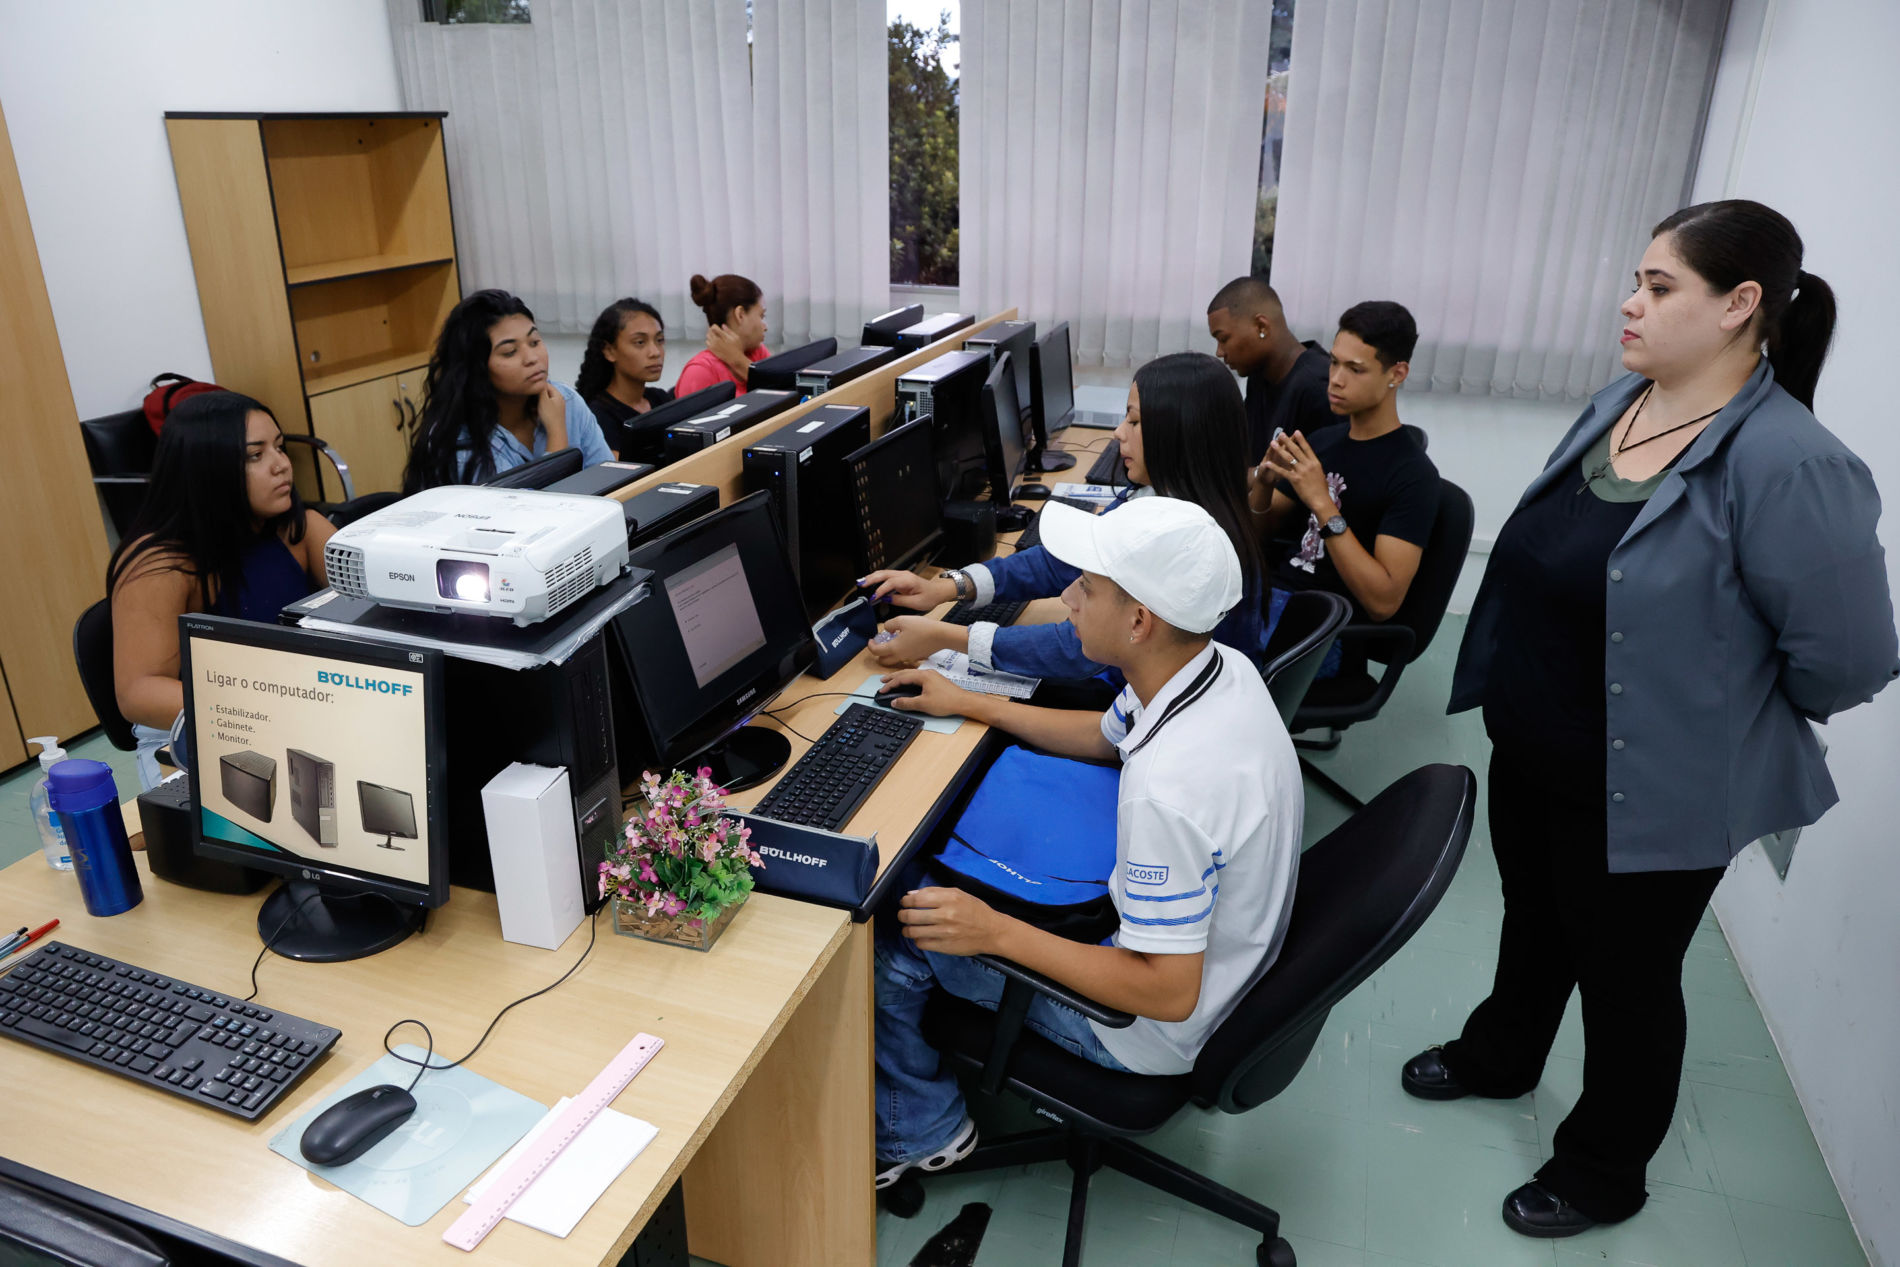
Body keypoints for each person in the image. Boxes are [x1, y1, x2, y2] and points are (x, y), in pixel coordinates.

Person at [1403, 200, 1897, 1238]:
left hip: (1653, 783)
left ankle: (1601, 1167)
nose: (1629, 302)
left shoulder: (1789, 462)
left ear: (1740, 305)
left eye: (1659, 286)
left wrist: (1723, 708)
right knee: (1533, 921)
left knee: (1626, 979)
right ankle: (1502, 1055)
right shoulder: (1625, 400)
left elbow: (1851, 656)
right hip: (1534, 745)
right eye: (1635, 280)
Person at [869, 498, 1302, 1187]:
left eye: (1087, 587)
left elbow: (1165, 991)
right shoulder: (1210, 667)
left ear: (1139, 620)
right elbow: (1107, 736)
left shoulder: (1170, 786)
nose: (1067, 596)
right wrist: (972, 702)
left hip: (1142, 1029)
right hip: (1221, 954)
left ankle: (921, 1128)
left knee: (892, 935)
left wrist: (995, 931)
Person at [864, 352, 1268, 683]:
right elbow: (1059, 561)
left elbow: (1076, 652)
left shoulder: (1183, 543)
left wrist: (945, 637)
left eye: (1135, 421)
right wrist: (948, 587)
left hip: (1123, 712)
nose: (1118, 433)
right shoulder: (1155, 499)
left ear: (1179, 436)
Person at [107, 392, 334, 788]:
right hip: (190, 732)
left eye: (279, 447)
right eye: (255, 455)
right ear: (208, 469)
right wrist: (270, 707)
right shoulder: (158, 565)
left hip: (296, 711)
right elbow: (138, 693)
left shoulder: (300, 527)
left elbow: (369, 606)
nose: (281, 465)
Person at [1249, 301, 1441, 676]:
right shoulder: (1323, 442)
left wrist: (1322, 503)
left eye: (1355, 369)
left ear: (1396, 373)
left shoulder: (1414, 476)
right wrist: (1263, 484)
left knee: (1190, 652)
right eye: (1335, 362)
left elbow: (1383, 602)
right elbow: (1259, 533)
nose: (1335, 378)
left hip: (1328, 631)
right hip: (1275, 598)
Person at [402, 289, 614, 490]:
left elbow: (610, 479)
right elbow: (538, 519)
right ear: (477, 368)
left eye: (534, 342)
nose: (532, 358)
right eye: (510, 352)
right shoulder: (461, 442)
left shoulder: (566, 400)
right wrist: (557, 435)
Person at [1206, 275, 1339, 461]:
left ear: (1262, 326)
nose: (1220, 352)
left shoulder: (1319, 387)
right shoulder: (1259, 376)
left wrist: (1251, 476)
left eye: (1224, 339)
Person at [576, 297, 672, 459]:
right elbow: (623, 476)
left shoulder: (660, 398)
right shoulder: (598, 416)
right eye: (640, 342)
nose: (655, 352)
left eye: (659, 340)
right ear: (609, 351)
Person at [674, 273, 770, 396]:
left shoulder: (758, 353)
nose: (765, 327)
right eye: (761, 316)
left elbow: (785, 397)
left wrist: (738, 360)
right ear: (740, 315)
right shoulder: (700, 372)